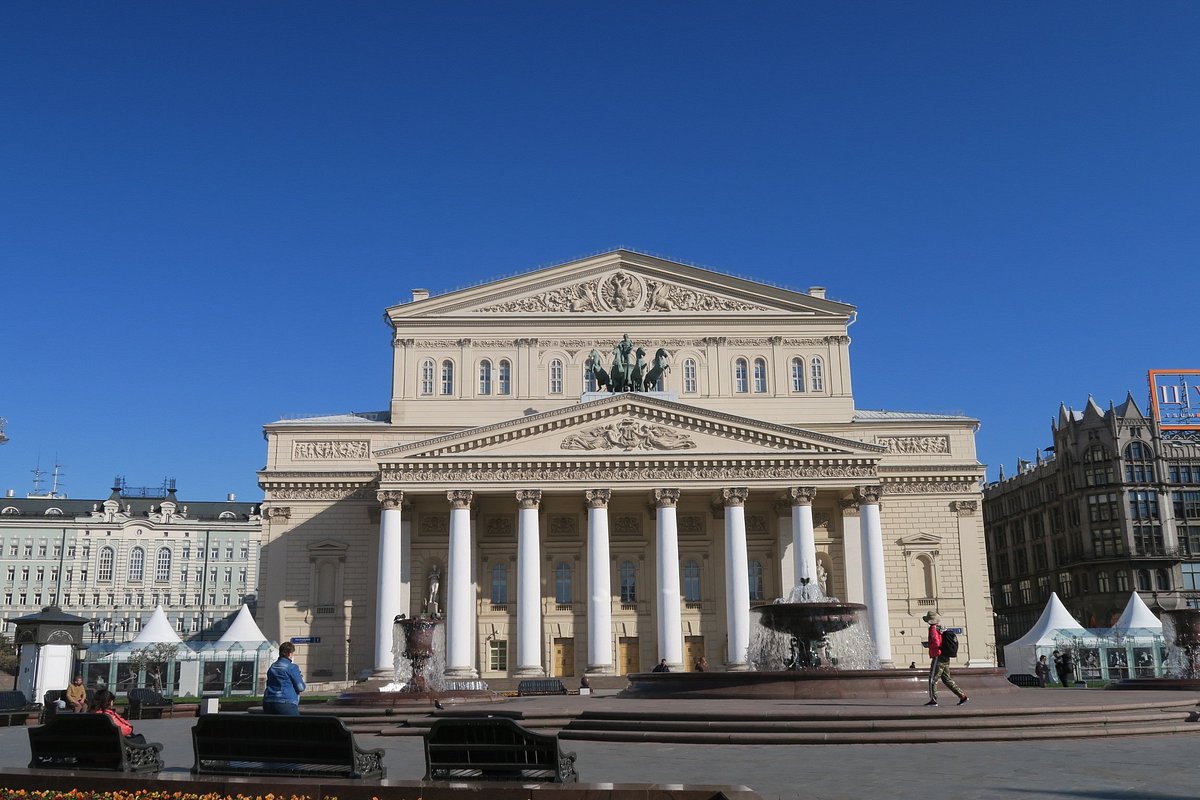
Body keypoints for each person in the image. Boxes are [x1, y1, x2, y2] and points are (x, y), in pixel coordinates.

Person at [921, 611, 967, 707]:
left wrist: (928, 645)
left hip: (938, 656)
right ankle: (962, 696)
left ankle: (933, 700)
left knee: (933, 678)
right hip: (945, 655)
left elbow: (936, 643)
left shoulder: (933, 629)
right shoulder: (941, 628)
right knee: (946, 679)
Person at [263, 641, 306, 715]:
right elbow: (300, 687)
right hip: (286, 703)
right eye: (292, 653)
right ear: (289, 654)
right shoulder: (292, 667)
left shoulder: (272, 667)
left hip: (268, 702)